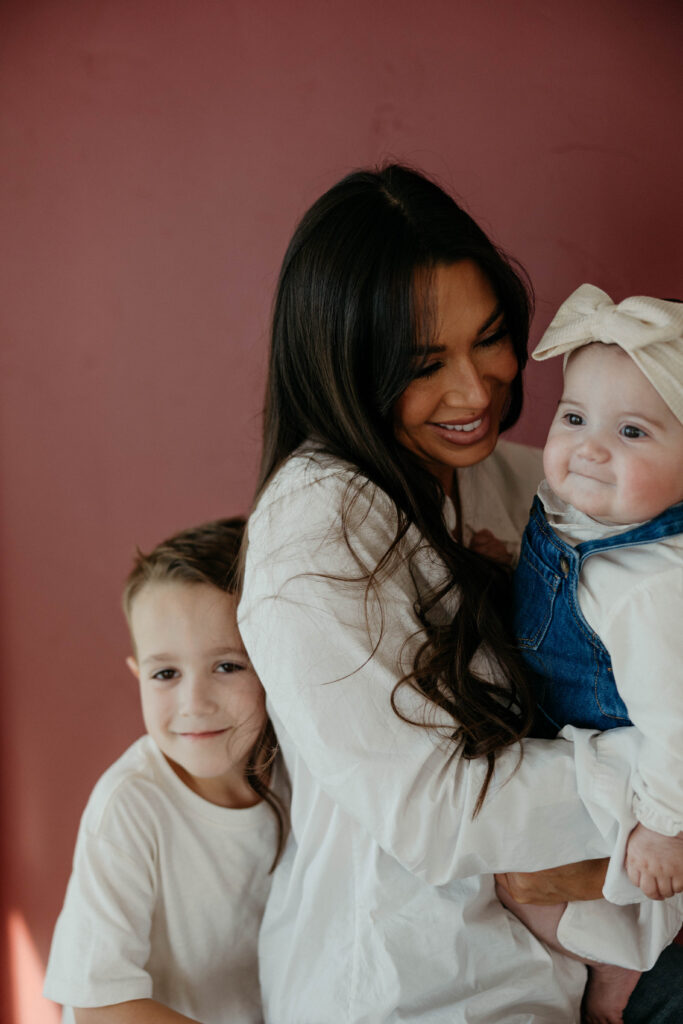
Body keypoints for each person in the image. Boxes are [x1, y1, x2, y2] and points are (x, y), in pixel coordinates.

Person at [237, 164, 683, 1023]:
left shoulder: (517, 482)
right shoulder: (311, 541)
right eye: (423, 364)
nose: (476, 391)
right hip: (418, 985)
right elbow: (438, 816)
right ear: (342, 364)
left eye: (487, 338)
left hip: (564, 966)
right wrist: (665, 776)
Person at [503, 286, 683, 1023]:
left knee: (588, 905)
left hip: (639, 760)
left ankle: (620, 978)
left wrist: (664, 826)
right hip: (578, 722)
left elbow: (677, 720)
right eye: (573, 417)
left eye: (633, 432)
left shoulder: (649, 586)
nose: (589, 446)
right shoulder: (580, 516)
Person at [44, 518, 287, 1024]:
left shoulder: (298, 774)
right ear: (138, 676)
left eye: (227, 666)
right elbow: (98, 1005)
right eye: (166, 674)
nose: (194, 703)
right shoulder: (130, 806)